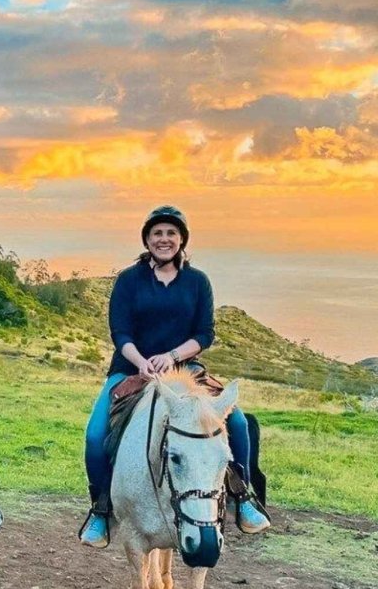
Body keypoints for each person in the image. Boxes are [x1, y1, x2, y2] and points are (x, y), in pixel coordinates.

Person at [78, 204, 270, 547]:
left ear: (181, 240)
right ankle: (101, 509)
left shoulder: (197, 282)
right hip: (130, 368)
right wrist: (142, 361)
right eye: (157, 233)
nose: (163, 239)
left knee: (237, 424)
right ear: (147, 240)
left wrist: (171, 356)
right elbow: (120, 332)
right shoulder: (128, 280)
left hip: (186, 369)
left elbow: (205, 333)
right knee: (95, 436)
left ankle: (243, 497)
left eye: (170, 233)